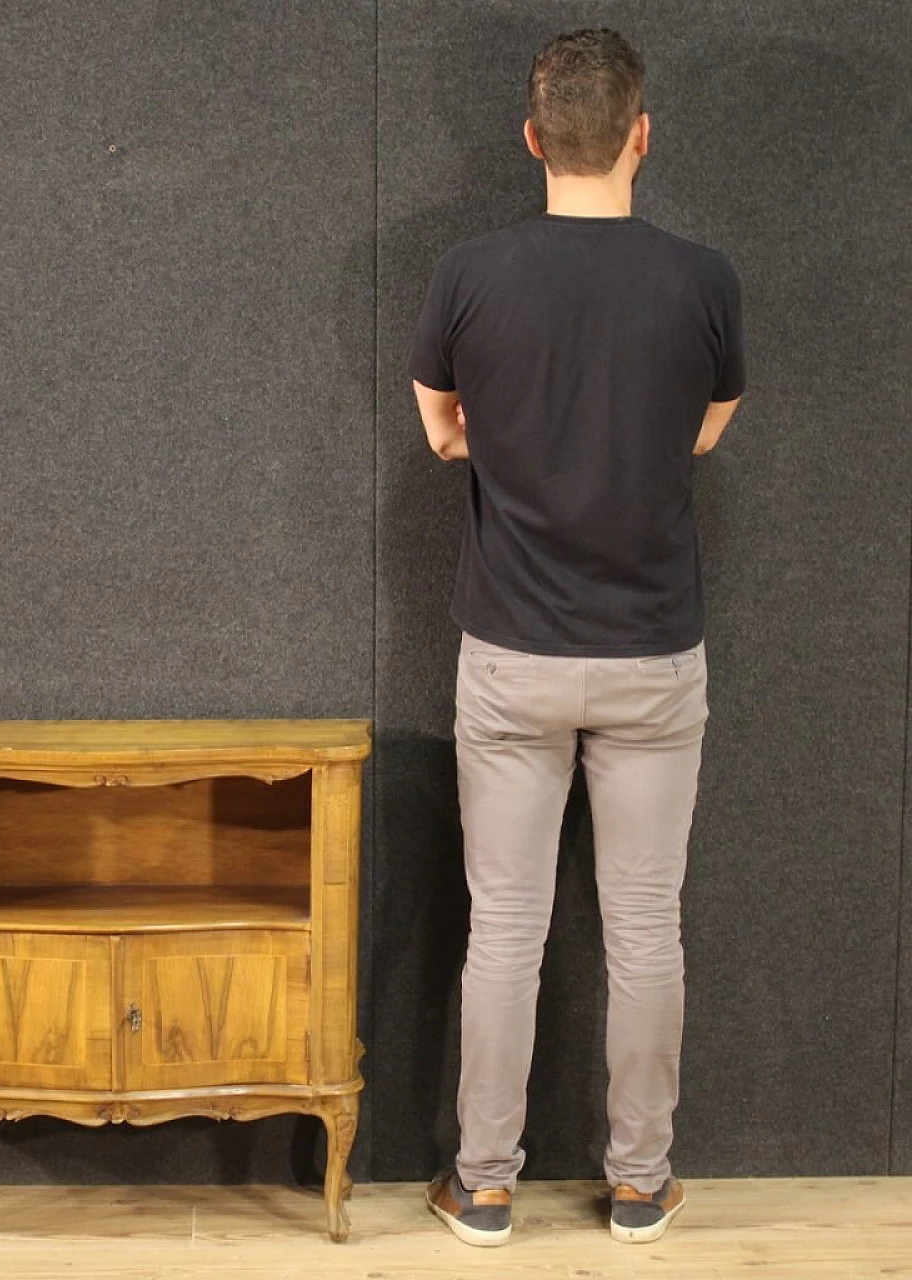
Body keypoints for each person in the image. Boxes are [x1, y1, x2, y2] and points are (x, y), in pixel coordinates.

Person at [409, 28, 745, 1248]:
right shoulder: (701, 280)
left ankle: (483, 1183)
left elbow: (440, 431)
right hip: (651, 653)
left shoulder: (467, 274)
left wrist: (505, 444)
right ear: (640, 136)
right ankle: (641, 1182)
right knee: (645, 927)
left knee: (504, 927)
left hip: (511, 653)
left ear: (532, 138)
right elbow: (704, 429)